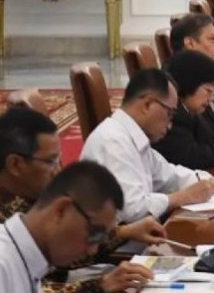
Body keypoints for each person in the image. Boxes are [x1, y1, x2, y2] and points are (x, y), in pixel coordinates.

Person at [0, 107, 167, 293]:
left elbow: (60, 250)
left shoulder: (22, 193)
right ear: (15, 164)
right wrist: (99, 286)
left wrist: (122, 232)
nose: (57, 171)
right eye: (50, 162)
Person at [80, 69, 214, 223]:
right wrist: (182, 197)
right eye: (169, 114)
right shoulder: (113, 141)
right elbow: (131, 209)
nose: (170, 124)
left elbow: (172, 176)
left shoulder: (134, 136)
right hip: (119, 254)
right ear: (147, 104)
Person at [0, 161, 157, 293]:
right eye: (93, 234)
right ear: (61, 210)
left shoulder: (29, 259)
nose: (93, 250)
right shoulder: (4, 263)